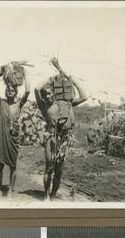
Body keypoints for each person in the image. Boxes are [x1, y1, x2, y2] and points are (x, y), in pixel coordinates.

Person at [34, 65, 87, 201]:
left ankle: (53, 196)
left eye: (50, 93)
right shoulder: (44, 106)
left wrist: (71, 80)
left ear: (54, 92)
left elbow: (84, 96)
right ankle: (46, 196)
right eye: (46, 95)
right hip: (50, 137)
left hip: (63, 138)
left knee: (59, 169)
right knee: (49, 167)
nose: (49, 96)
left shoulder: (66, 103)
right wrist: (49, 78)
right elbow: (36, 89)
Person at [0, 73, 30, 199]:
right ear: (6, 92)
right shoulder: (1, 103)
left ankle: (10, 192)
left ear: (16, 92)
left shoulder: (18, 104)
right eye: (8, 89)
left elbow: (28, 91)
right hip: (2, 138)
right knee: (0, 165)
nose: (10, 91)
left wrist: (25, 74)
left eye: (13, 90)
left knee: (13, 166)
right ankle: (0, 191)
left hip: (13, 138)